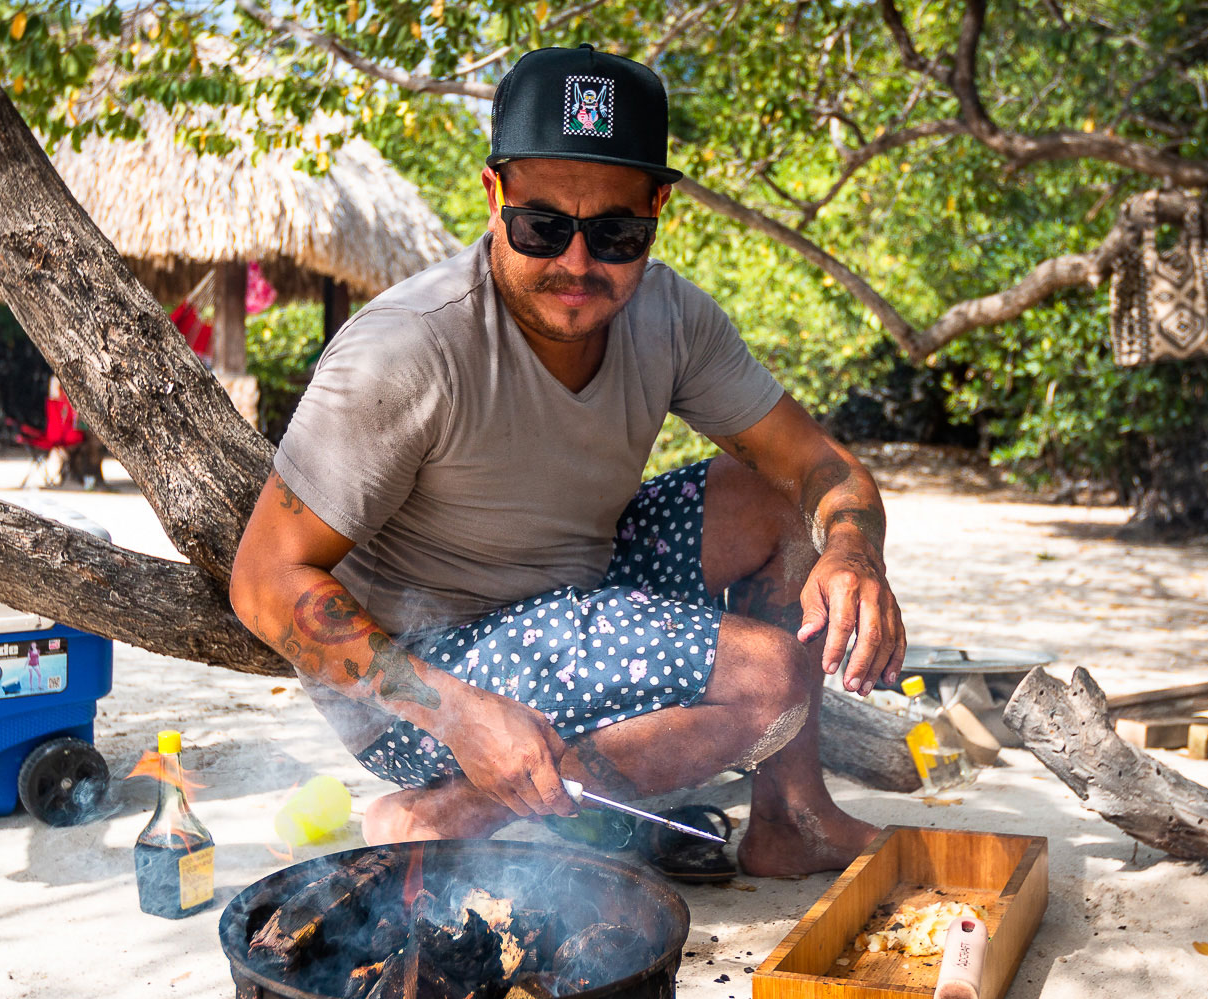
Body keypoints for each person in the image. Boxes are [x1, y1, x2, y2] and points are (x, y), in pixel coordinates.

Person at [230, 45, 905, 877]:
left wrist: (853, 549)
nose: (577, 265)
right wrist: (457, 712)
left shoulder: (671, 318)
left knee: (769, 497)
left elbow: (818, 466)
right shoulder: (406, 350)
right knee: (767, 684)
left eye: (616, 233)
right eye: (542, 227)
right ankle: (446, 812)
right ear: (493, 197)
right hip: (424, 684)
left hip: (572, 594)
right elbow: (262, 582)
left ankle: (791, 819)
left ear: (657, 210)